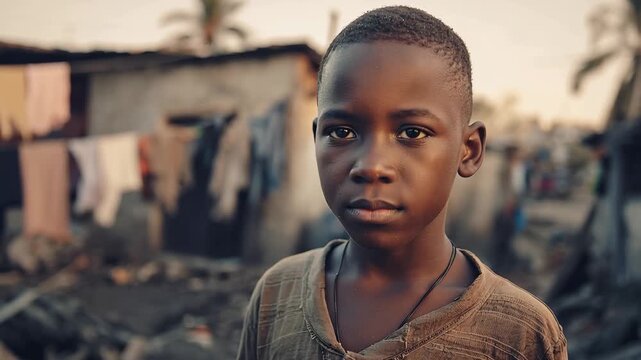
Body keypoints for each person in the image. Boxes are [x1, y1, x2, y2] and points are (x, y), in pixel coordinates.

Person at [237, 6, 567, 359]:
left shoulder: (519, 334)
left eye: (412, 132)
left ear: (468, 150)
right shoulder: (276, 293)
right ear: (317, 138)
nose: (372, 166)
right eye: (342, 132)